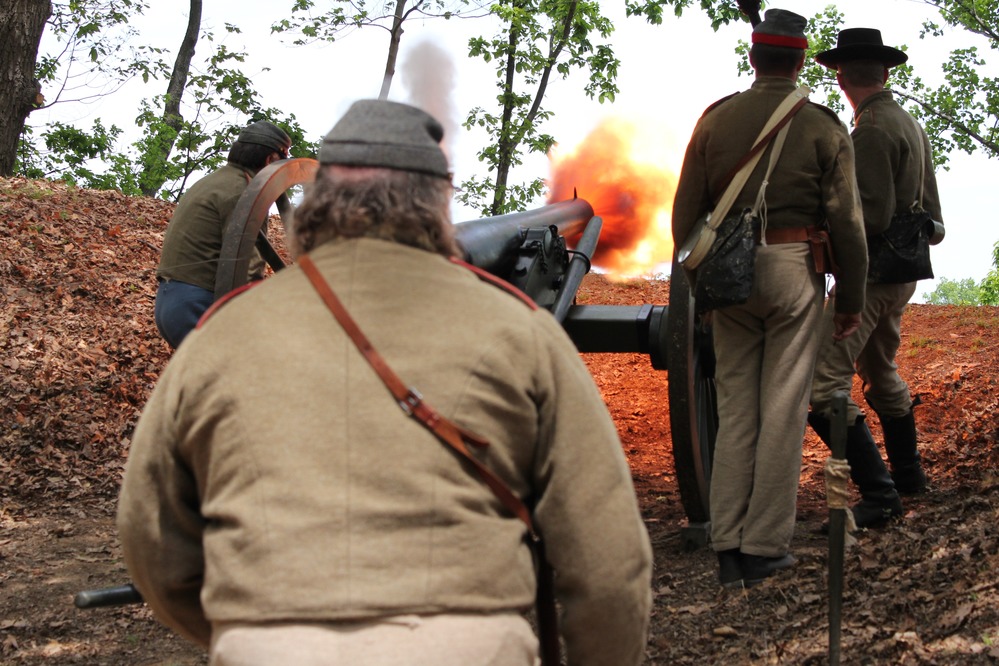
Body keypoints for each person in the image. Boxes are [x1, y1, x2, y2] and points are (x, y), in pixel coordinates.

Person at [118, 99, 653, 665]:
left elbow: (152, 537)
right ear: (436, 205)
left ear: (318, 201)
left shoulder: (218, 337)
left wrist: (252, 635)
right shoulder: (524, 335)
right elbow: (608, 565)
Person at [671, 9, 868, 589]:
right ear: (800, 59)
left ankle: (728, 544)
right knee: (781, 409)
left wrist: (697, 288)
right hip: (792, 268)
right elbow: (848, 225)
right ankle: (764, 546)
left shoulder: (715, 121)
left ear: (753, 58)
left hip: (727, 275)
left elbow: (685, 214)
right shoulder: (823, 127)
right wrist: (851, 297)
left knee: (735, 410)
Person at [808, 29, 944, 527]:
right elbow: (933, 219)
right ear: (885, 73)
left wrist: (820, 230)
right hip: (901, 275)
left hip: (869, 276)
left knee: (821, 385)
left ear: (840, 77)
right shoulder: (906, 121)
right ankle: (908, 476)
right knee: (881, 370)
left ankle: (880, 496)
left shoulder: (868, 131)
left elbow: (870, 215)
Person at [154, 120, 292, 349]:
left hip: (171, 301)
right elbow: (247, 264)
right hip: (197, 303)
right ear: (270, 160)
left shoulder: (215, 181)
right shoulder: (246, 193)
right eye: (283, 158)